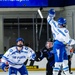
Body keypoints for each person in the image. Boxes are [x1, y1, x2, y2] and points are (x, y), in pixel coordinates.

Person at [47, 9, 75, 75]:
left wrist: (51, 14)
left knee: (65, 61)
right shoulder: (65, 31)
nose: (64, 25)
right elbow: (69, 41)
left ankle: (67, 73)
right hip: (58, 45)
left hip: (60, 45)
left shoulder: (55, 24)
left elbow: (49, 20)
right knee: (58, 63)